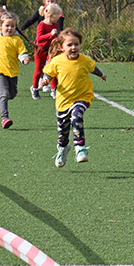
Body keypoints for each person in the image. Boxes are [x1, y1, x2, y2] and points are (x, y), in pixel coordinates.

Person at [39, 29, 107, 168]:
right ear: (61, 47)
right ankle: (63, 149)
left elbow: (93, 68)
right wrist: (46, 80)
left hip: (82, 97)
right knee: (62, 133)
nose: (73, 48)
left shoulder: (84, 60)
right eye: (69, 45)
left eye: (76, 44)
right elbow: (48, 73)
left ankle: (80, 148)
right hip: (63, 101)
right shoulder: (57, 61)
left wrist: (101, 75)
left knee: (76, 117)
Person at [0, 10, 30, 129]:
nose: (9, 28)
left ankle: (2, 100)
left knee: (12, 94)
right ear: (0, 25)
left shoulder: (17, 40)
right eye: (7, 25)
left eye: (12, 26)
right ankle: (4, 118)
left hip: (13, 71)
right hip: (0, 71)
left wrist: (24, 59)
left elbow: (22, 52)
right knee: (4, 94)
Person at [20, 0, 64, 93]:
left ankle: (53, 88)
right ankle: (36, 86)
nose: (50, 3)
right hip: (41, 48)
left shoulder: (57, 16)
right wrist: (21, 29)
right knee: (39, 69)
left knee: (52, 66)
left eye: (52, 1)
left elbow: (59, 30)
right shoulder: (42, 20)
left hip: (51, 48)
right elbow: (31, 22)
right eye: (48, 1)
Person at [30, 3, 62, 100]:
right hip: (40, 50)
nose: (58, 18)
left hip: (50, 51)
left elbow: (55, 38)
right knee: (39, 70)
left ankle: (54, 89)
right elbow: (39, 39)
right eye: (57, 16)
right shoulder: (41, 25)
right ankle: (35, 88)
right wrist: (50, 35)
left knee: (53, 69)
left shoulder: (55, 24)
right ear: (51, 15)